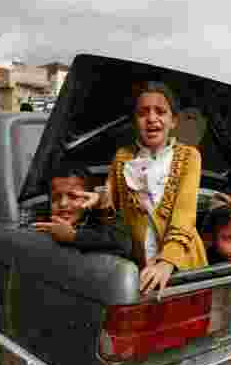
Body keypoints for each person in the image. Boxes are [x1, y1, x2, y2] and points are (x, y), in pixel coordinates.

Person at [82, 81, 208, 294]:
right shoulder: (122, 158)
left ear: (173, 120)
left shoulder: (190, 156)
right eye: (143, 112)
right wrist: (99, 201)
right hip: (142, 268)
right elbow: (111, 217)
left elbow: (184, 215)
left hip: (183, 263)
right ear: (135, 120)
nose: (151, 118)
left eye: (160, 111)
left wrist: (167, 262)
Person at [34, 164, 133, 258]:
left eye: (73, 196)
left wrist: (74, 237)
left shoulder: (100, 226)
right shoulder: (40, 230)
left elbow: (123, 245)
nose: (63, 203)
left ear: (89, 197)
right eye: (55, 198)